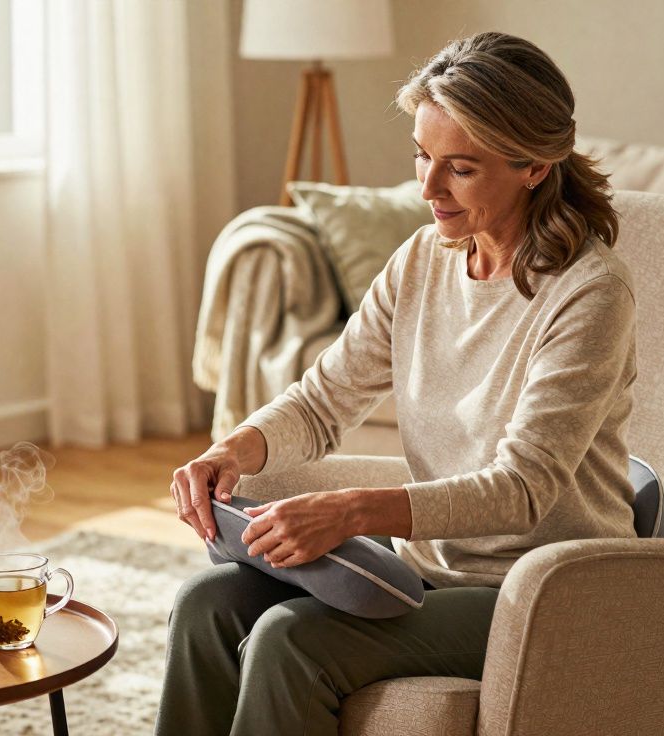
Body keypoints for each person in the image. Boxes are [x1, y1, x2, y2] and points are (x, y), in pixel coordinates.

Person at [156, 31, 637, 736]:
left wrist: (350, 511)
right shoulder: (423, 260)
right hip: (430, 566)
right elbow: (324, 400)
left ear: (535, 164)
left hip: (543, 587)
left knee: (292, 639)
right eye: (422, 156)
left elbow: (524, 489)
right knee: (207, 605)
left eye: (462, 169)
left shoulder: (589, 294)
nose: (429, 188)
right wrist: (232, 451)